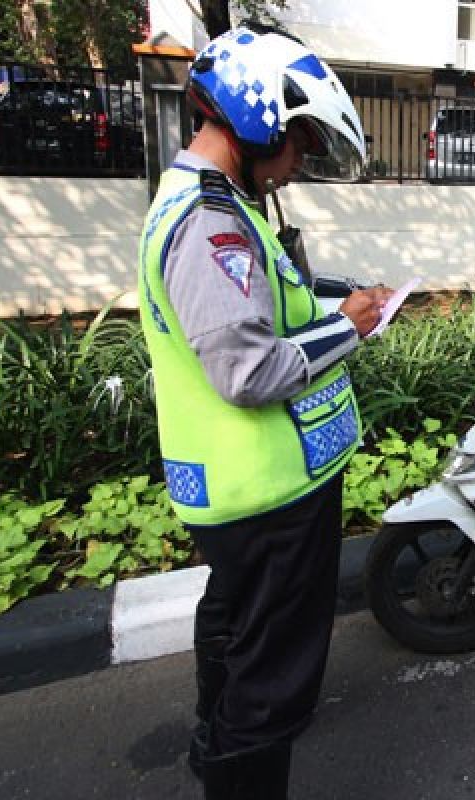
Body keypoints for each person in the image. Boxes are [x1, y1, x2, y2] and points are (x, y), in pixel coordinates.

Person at [136, 25, 392, 799]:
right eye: (300, 143)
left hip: (233, 487)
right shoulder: (211, 223)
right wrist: (346, 330)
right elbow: (248, 369)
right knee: (270, 682)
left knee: (234, 627)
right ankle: (234, 761)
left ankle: (213, 749)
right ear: (259, 124)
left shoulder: (209, 201)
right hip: (266, 491)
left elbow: (257, 309)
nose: (299, 162)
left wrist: (328, 300)